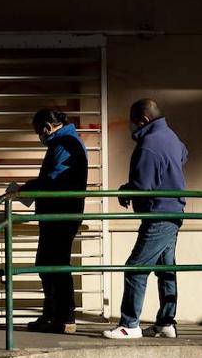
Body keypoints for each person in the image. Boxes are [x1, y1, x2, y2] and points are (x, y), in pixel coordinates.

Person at [104, 99, 189, 340]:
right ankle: (165, 322)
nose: (131, 127)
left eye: (133, 122)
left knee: (135, 269)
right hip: (175, 211)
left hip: (158, 214)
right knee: (166, 269)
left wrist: (126, 190)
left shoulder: (149, 145)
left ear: (143, 120)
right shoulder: (171, 136)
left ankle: (129, 324)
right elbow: (184, 154)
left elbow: (143, 186)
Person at [13, 109, 89, 334]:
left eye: (39, 131)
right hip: (62, 213)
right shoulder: (69, 141)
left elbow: (53, 181)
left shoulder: (64, 144)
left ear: (47, 126)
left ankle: (61, 316)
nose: (40, 137)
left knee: (52, 264)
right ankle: (57, 315)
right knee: (52, 263)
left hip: (59, 214)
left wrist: (28, 188)